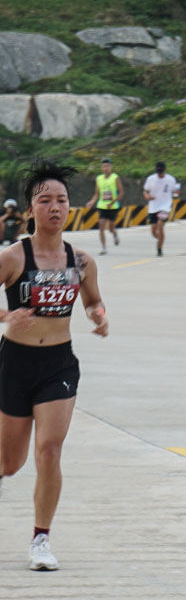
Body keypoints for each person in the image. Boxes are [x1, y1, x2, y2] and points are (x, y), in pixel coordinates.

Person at [0, 160, 109, 570]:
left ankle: (40, 541)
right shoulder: (12, 257)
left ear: (70, 207)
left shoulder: (81, 261)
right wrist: (7, 317)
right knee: (10, 463)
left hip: (59, 363)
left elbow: (93, 299)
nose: (54, 207)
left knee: (49, 449)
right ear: (30, 210)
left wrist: (99, 315)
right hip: (15, 363)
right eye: (44, 200)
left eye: (61, 200)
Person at [85, 157, 124, 255]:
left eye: (107, 166)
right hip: (102, 205)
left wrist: (113, 202)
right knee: (101, 227)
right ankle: (104, 248)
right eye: (103, 166)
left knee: (111, 227)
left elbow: (121, 193)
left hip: (113, 206)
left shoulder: (115, 177)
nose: (105, 168)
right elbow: (97, 194)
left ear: (111, 167)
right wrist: (91, 202)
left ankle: (114, 234)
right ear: (101, 168)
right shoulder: (99, 178)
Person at [142, 161, 179, 257]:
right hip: (153, 207)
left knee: (160, 224)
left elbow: (175, 191)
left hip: (165, 206)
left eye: (161, 172)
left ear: (164, 170)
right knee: (154, 231)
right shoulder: (151, 179)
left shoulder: (170, 179)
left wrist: (176, 193)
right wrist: (147, 196)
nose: (159, 174)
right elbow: (145, 190)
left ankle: (159, 249)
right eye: (158, 172)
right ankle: (160, 239)